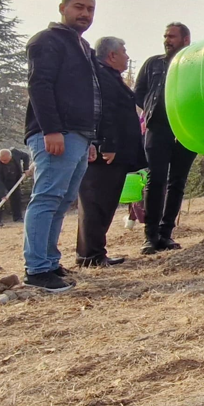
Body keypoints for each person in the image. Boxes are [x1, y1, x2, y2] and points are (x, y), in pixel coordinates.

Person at [22, 0, 100, 293]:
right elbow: (39, 86)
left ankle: (50, 262)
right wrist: (51, 129)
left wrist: (90, 138)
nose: (85, 14)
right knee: (47, 198)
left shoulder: (82, 46)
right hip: (56, 134)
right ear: (62, 8)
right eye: (79, 7)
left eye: (90, 9)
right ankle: (37, 269)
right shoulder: (47, 41)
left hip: (79, 135)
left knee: (62, 201)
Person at [76, 36, 145, 267]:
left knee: (104, 204)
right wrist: (108, 144)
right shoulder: (101, 78)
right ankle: (90, 255)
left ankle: (95, 252)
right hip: (105, 154)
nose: (127, 56)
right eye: (124, 52)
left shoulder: (111, 77)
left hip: (116, 154)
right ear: (112, 55)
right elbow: (104, 112)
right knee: (96, 203)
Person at [134, 22, 198, 254]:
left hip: (186, 130)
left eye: (172, 36)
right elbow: (139, 92)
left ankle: (166, 234)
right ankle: (150, 237)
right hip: (158, 129)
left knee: (177, 182)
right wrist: (153, 109)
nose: (167, 40)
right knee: (155, 180)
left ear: (186, 40)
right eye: (165, 36)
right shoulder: (153, 64)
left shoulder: (196, 63)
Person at [0, 149, 26, 224]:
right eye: (2, 160)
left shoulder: (16, 153)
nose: (4, 162)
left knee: (16, 198)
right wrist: (3, 194)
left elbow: (26, 156)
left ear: (10, 156)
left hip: (15, 180)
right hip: (2, 182)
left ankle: (17, 218)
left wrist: (26, 169)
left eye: (6, 160)